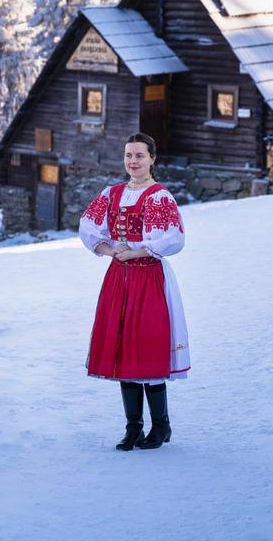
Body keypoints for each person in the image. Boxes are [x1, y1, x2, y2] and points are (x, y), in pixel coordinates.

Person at [79, 132, 190, 451]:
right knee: (123, 350)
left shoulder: (160, 197)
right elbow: (88, 226)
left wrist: (137, 252)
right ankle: (133, 428)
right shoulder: (112, 193)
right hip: (119, 279)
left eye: (140, 156)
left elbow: (173, 239)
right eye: (129, 155)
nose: (133, 161)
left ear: (152, 159)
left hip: (149, 278)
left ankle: (161, 426)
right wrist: (108, 250)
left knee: (148, 349)